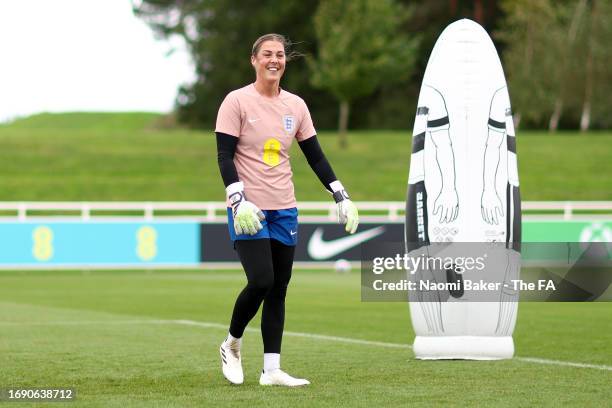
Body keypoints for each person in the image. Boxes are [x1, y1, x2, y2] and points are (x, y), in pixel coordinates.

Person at [215, 33, 359, 387]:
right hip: (249, 209)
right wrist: (237, 200)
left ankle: (272, 369)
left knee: (278, 288)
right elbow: (223, 155)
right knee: (261, 280)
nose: (274, 60)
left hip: (285, 209)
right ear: (254, 60)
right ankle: (231, 344)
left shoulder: (296, 106)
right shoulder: (236, 102)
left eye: (279, 55)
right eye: (267, 54)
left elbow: (315, 155)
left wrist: (341, 194)